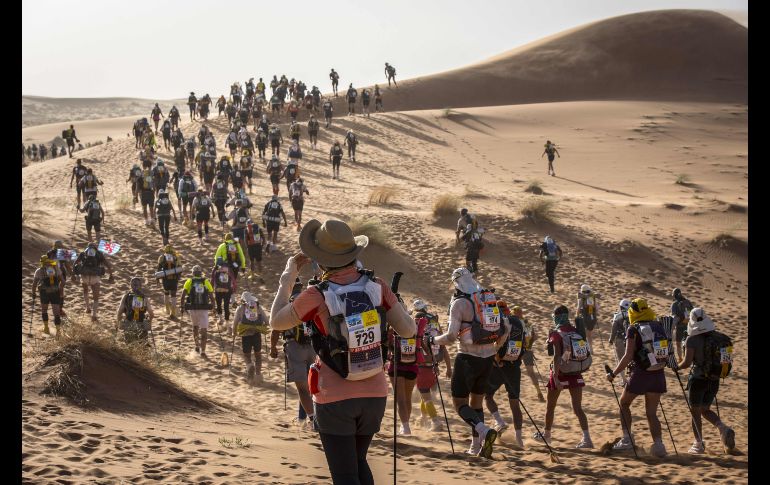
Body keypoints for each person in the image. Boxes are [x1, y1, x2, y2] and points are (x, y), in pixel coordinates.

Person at [269, 218, 415, 485]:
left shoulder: (317, 294)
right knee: (358, 464)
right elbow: (408, 331)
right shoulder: (378, 286)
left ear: (321, 260)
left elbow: (276, 321)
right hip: (374, 393)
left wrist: (288, 277)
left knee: (345, 476)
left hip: (333, 396)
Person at [428, 267, 507, 457]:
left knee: (459, 403)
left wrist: (433, 341)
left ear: (456, 283)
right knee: (477, 402)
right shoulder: (488, 298)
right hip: (487, 359)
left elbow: (451, 336)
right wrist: (495, 350)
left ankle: (484, 432)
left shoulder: (459, 303)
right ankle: (477, 446)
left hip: (467, 358)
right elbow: (505, 329)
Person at [606, 298, 669, 457]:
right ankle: (659, 445)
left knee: (624, 403)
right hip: (658, 373)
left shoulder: (633, 329)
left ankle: (627, 439)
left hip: (641, 373)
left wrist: (613, 373)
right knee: (651, 413)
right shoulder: (658, 326)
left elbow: (627, 356)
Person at [676, 307, 736, 454]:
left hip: (698, 379)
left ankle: (698, 444)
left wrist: (676, 367)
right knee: (704, 409)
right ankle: (723, 428)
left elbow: (687, 363)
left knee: (695, 412)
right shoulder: (719, 337)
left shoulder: (692, 339)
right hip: (714, 379)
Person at [539, 305, 594, 449]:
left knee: (550, 406)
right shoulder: (576, 331)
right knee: (578, 408)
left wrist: (556, 378)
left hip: (561, 372)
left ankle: (547, 434)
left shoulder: (557, 333)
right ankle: (587, 438)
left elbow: (556, 356)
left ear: (556, 317)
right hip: (575, 371)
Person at [270, 278, 317, 427]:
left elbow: (276, 329)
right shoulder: (308, 300)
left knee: (303, 388)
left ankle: (312, 419)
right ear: (301, 287)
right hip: (312, 347)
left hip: (294, 347)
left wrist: (273, 348)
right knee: (313, 386)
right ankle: (303, 418)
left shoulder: (286, 303)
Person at [484, 300, 526, 447]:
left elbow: (494, 343)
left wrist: (497, 359)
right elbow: (524, 345)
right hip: (514, 366)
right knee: (515, 404)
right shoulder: (519, 322)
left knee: (487, 395)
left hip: (499, 365)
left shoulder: (499, 322)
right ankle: (519, 439)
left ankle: (499, 421)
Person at [412, 300, 452, 431]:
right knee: (426, 394)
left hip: (423, 362)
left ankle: (436, 422)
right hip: (435, 363)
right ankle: (423, 418)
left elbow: (418, 339)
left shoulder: (417, 319)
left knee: (425, 396)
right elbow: (443, 344)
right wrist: (448, 367)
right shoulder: (434, 320)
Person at [73, 242, 114, 323]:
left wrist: (74, 275)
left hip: (84, 276)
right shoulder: (99, 254)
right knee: (96, 297)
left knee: (85, 291)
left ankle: (88, 308)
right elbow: (108, 265)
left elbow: (75, 264)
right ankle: (94, 316)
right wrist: (111, 275)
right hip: (95, 277)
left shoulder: (83, 253)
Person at [180, 265, 216, 357]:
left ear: (192, 273)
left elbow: (183, 295)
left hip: (193, 309)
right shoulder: (206, 281)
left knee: (195, 327)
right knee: (204, 330)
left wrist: (182, 306)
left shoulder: (189, 281)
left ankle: (197, 345)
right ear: (201, 273)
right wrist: (214, 308)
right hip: (203, 309)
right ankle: (203, 351)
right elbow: (212, 296)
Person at [233, 292, 269, 384]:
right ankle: (258, 375)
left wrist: (234, 334)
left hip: (245, 335)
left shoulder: (240, 308)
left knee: (247, 355)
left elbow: (235, 323)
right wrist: (261, 327)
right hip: (257, 334)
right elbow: (267, 321)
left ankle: (249, 365)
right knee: (258, 355)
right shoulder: (258, 307)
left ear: (243, 301)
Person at [516, 305, 545, 402]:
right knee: (531, 373)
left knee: (514, 371)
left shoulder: (516, 323)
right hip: (528, 351)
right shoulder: (528, 323)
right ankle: (539, 392)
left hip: (517, 351)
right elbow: (535, 336)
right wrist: (530, 345)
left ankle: (515, 394)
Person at [115, 277, 155, 344]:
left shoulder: (126, 296)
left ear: (130, 285)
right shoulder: (144, 297)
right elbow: (151, 313)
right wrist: (149, 321)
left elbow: (120, 311)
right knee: (143, 345)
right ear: (140, 286)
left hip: (129, 323)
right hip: (141, 323)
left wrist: (118, 321)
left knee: (129, 344)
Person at [32, 256, 64, 337]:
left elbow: (34, 284)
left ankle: (46, 328)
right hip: (55, 292)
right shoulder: (56, 269)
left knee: (44, 310)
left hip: (44, 293)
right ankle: (58, 331)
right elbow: (63, 281)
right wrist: (60, 290)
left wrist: (33, 293)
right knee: (56, 313)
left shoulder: (39, 271)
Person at [608, 299, 632, 387]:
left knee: (620, 360)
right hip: (631, 340)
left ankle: (624, 381)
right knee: (630, 360)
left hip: (620, 340)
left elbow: (614, 329)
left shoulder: (618, 316)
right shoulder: (632, 315)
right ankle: (631, 378)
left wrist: (611, 340)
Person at [156, 245, 181, 319]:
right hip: (174, 279)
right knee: (173, 294)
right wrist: (178, 277)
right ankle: (173, 312)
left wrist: (157, 279)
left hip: (165, 279)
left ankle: (167, 309)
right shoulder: (176, 257)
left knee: (166, 292)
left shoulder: (162, 257)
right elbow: (180, 268)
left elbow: (158, 268)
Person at [211, 257, 237, 330]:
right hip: (227, 290)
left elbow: (212, 280)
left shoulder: (215, 269)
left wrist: (211, 289)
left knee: (219, 305)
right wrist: (234, 289)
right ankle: (227, 322)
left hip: (218, 290)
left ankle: (220, 319)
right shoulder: (228, 269)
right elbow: (233, 280)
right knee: (226, 306)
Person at [671, 288, 695, 361]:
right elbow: (693, 312)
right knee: (687, 343)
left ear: (674, 295)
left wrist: (672, 328)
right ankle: (688, 358)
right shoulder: (688, 302)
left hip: (680, 326)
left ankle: (681, 359)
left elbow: (674, 317)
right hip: (689, 326)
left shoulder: (674, 304)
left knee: (678, 343)